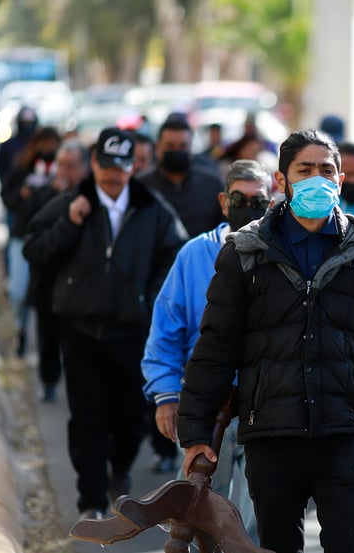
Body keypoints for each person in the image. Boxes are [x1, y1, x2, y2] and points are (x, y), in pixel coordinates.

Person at [177, 129, 354, 553]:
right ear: (282, 181)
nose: (319, 179)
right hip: (272, 436)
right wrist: (196, 431)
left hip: (344, 433)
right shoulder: (246, 251)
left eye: (327, 170)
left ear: (339, 179)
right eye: (306, 170)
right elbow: (215, 346)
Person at [22, 127, 187, 521]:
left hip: (131, 332)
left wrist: (148, 296)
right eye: (106, 166)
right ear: (94, 164)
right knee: (87, 417)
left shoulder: (152, 208)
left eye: (121, 167)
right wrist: (69, 224)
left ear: (133, 167)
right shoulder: (71, 203)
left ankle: (120, 469)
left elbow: (175, 254)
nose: (113, 175)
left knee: (130, 416)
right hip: (80, 331)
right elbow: (34, 248)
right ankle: (90, 498)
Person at [141, 159, 272, 541]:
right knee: (199, 519)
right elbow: (164, 332)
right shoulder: (194, 256)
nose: (249, 207)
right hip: (208, 406)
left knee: (254, 525)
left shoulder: (281, 255)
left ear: (273, 200)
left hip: (265, 405)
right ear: (223, 201)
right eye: (239, 199)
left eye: (259, 200)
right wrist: (166, 396)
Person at [25, 139, 90, 402]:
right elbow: (26, 231)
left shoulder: (93, 200)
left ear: (85, 169)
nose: (64, 171)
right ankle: (49, 379)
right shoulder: (46, 195)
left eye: (71, 166)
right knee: (48, 338)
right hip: (48, 285)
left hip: (81, 291)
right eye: (61, 164)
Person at [0, 126, 62, 356]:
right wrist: (22, 195)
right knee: (18, 291)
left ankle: (48, 350)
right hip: (23, 236)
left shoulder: (62, 170)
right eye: (42, 145)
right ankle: (21, 329)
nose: (47, 150)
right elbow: (7, 196)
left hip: (52, 239)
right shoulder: (22, 168)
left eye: (51, 145)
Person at [140, 116, 225, 236]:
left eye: (183, 146)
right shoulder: (142, 186)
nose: (177, 151)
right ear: (158, 147)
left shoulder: (212, 184)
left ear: (191, 147)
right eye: (170, 146)